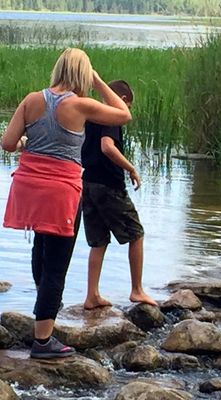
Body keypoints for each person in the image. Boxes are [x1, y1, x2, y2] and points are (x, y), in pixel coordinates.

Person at [1, 48, 132, 359]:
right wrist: (98, 82)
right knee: (57, 264)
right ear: (82, 74)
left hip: (29, 188)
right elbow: (124, 114)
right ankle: (43, 340)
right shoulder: (80, 104)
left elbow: (7, 143)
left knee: (40, 248)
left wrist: (28, 142)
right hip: (61, 192)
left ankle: (43, 307)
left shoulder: (32, 100)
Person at [81, 79, 157, 310]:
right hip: (109, 185)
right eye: (129, 106)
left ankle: (92, 295)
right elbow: (107, 146)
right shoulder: (111, 115)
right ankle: (137, 290)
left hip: (88, 183)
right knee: (136, 233)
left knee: (98, 241)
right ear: (122, 100)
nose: (127, 112)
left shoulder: (90, 114)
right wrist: (130, 168)